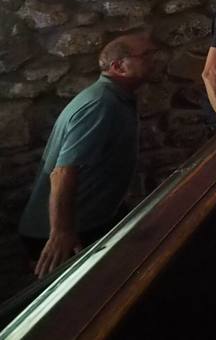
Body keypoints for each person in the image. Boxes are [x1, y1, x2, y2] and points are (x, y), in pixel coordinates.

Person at [19, 31, 160, 276]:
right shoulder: (100, 105)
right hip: (61, 232)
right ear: (119, 67)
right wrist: (61, 232)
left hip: (92, 218)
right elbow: (63, 172)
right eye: (146, 55)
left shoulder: (116, 98)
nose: (154, 59)